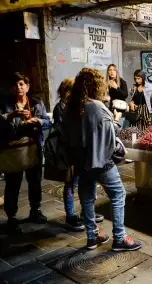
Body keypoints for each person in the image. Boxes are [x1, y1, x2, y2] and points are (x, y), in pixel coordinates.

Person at [63, 68, 141, 251]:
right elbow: (110, 136)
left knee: (87, 198)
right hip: (101, 161)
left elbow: (66, 137)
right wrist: (116, 120)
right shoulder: (97, 107)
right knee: (118, 195)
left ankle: (92, 236)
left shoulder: (70, 107)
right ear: (95, 86)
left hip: (81, 162)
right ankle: (120, 238)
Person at [0, 72, 50, 234]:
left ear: (27, 87)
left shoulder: (35, 103)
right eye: (15, 85)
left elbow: (48, 122)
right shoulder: (4, 104)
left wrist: (38, 121)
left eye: (22, 84)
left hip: (33, 149)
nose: (19, 88)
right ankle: (11, 217)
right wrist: (10, 116)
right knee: (13, 184)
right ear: (11, 88)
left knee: (35, 181)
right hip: (13, 151)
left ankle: (35, 210)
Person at [53, 78, 104, 231]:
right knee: (71, 183)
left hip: (80, 151)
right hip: (69, 152)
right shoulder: (60, 108)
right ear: (65, 91)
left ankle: (86, 212)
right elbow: (65, 132)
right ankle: (70, 215)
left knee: (85, 182)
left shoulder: (76, 106)